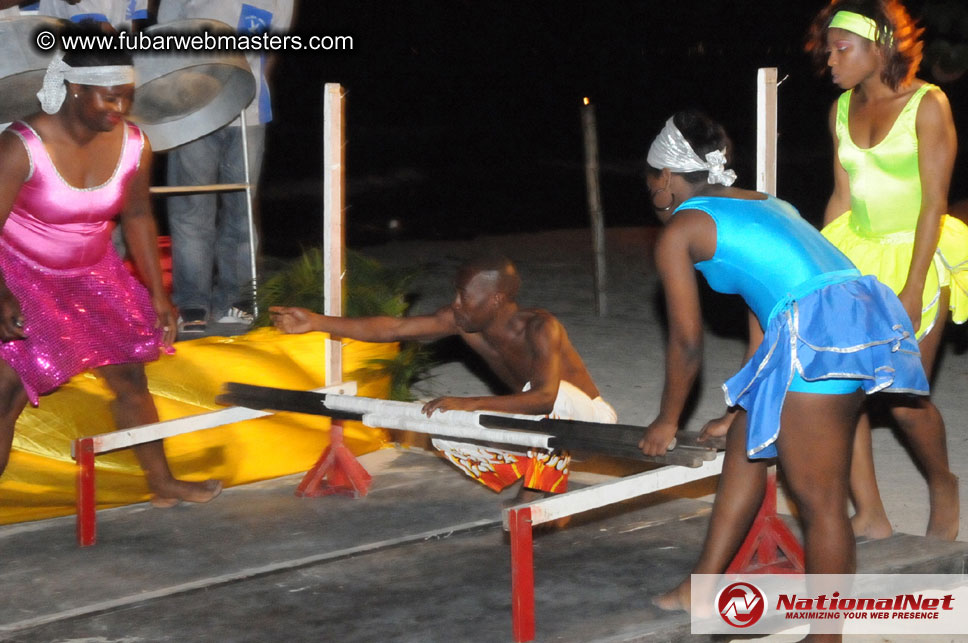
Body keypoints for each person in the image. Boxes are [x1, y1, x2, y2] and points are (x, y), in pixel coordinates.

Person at [637, 112, 929, 636]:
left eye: (650, 181)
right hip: (848, 310)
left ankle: (825, 635)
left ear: (665, 179)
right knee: (748, 441)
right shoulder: (764, 201)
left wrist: (666, 420)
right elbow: (766, 306)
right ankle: (701, 587)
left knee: (820, 503)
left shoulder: (682, 229)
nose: (650, 193)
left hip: (819, 334)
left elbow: (685, 344)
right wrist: (742, 405)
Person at [0, 34, 221, 506]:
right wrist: (0, 292)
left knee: (131, 379)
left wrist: (160, 295)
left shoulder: (135, 144)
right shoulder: (21, 145)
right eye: (109, 96)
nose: (119, 107)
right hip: (19, 272)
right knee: (7, 393)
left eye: (127, 95)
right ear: (76, 89)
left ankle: (161, 482)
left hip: (94, 273)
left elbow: (138, 216)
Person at [806, 0, 965, 540]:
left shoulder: (927, 104)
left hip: (918, 251)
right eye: (827, 48)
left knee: (902, 397)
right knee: (841, 389)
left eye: (841, 48)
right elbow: (841, 198)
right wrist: (825, 273)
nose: (829, 59)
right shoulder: (840, 111)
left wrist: (914, 285)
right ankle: (872, 513)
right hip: (858, 249)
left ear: (880, 47)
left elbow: (933, 203)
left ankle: (943, 482)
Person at [271, 256, 617, 499]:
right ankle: (530, 472)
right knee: (441, 421)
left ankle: (541, 489)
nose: (455, 303)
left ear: (495, 299)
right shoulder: (463, 322)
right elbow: (393, 328)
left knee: (542, 396)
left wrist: (470, 403)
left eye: (464, 296)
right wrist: (316, 321)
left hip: (586, 421)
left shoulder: (541, 327)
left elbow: (544, 397)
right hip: (533, 424)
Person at [158, 0, 295, 333]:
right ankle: (193, 303)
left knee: (241, 210)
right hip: (192, 113)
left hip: (247, 114)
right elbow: (164, 38)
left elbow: (273, 48)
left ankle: (238, 299)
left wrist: (246, 89)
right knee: (191, 209)